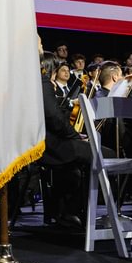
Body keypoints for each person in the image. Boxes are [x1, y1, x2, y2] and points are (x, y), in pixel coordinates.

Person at [41, 64, 91, 228]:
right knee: (103, 154)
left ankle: (65, 211)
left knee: (73, 166)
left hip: (45, 141)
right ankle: (78, 212)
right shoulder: (43, 81)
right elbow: (54, 118)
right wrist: (76, 137)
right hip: (46, 145)